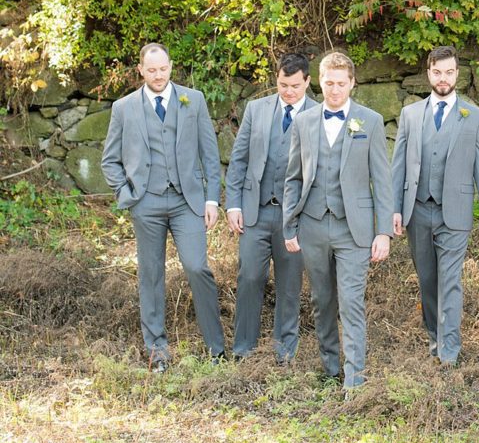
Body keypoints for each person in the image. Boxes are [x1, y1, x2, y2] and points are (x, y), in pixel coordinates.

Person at [101, 43, 226, 371]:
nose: (158, 76)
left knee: (198, 267)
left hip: (187, 201)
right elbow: (109, 160)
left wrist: (211, 199)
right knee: (151, 274)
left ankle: (216, 347)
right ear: (140, 70)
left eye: (163, 69)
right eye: (151, 70)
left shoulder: (193, 100)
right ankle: (157, 350)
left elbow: (210, 154)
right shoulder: (124, 108)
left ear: (171, 67)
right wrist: (127, 193)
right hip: (147, 202)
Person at [283, 50, 392, 395]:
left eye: (341, 84)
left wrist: (384, 231)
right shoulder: (304, 122)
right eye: (328, 83)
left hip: (354, 229)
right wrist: (290, 225)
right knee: (322, 300)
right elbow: (293, 178)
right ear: (319, 81)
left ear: (352, 84)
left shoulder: (370, 121)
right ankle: (330, 367)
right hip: (313, 226)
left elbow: (382, 179)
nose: (334, 90)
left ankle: (354, 379)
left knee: (351, 302)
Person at [392, 46, 479, 364]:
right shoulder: (410, 115)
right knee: (427, 280)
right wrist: (394, 209)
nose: (443, 78)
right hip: (418, 210)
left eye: (449, 72)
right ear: (429, 74)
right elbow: (398, 165)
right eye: (437, 72)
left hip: (455, 212)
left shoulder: (474, 117)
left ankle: (449, 350)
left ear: (457, 74)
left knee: (450, 280)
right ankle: (435, 337)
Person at [225, 52, 316, 364]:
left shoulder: (319, 115)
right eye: (282, 84)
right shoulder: (256, 109)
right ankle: (242, 349)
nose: (288, 91)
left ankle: (284, 351)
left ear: (307, 81)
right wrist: (233, 204)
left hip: (295, 217)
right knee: (249, 276)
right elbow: (239, 159)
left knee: (290, 284)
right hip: (256, 211)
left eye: (294, 85)